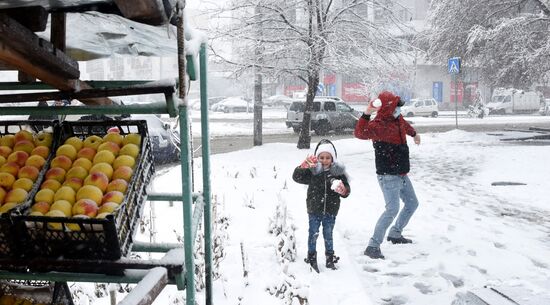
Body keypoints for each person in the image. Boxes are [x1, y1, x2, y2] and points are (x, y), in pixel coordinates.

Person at [354, 91, 421, 259]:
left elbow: (404, 125)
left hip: (401, 172)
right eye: (396, 107)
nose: (399, 110)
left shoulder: (396, 119)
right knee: (392, 209)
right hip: (388, 174)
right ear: (388, 109)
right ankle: (373, 246)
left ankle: (395, 233)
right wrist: (367, 112)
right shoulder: (378, 125)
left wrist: (414, 134)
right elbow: (359, 133)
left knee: (412, 203)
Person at [292, 140, 351, 272]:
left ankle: (329, 258)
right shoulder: (313, 172)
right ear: (317, 158)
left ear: (333, 159)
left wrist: (343, 190)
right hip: (314, 209)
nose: (324, 160)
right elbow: (296, 177)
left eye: (327, 158)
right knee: (313, 233)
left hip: (331, 209)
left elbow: (346, 190)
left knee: (328, 234)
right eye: (321, 157)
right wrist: (303, 166)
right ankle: (311, 257)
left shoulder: (338, 173)